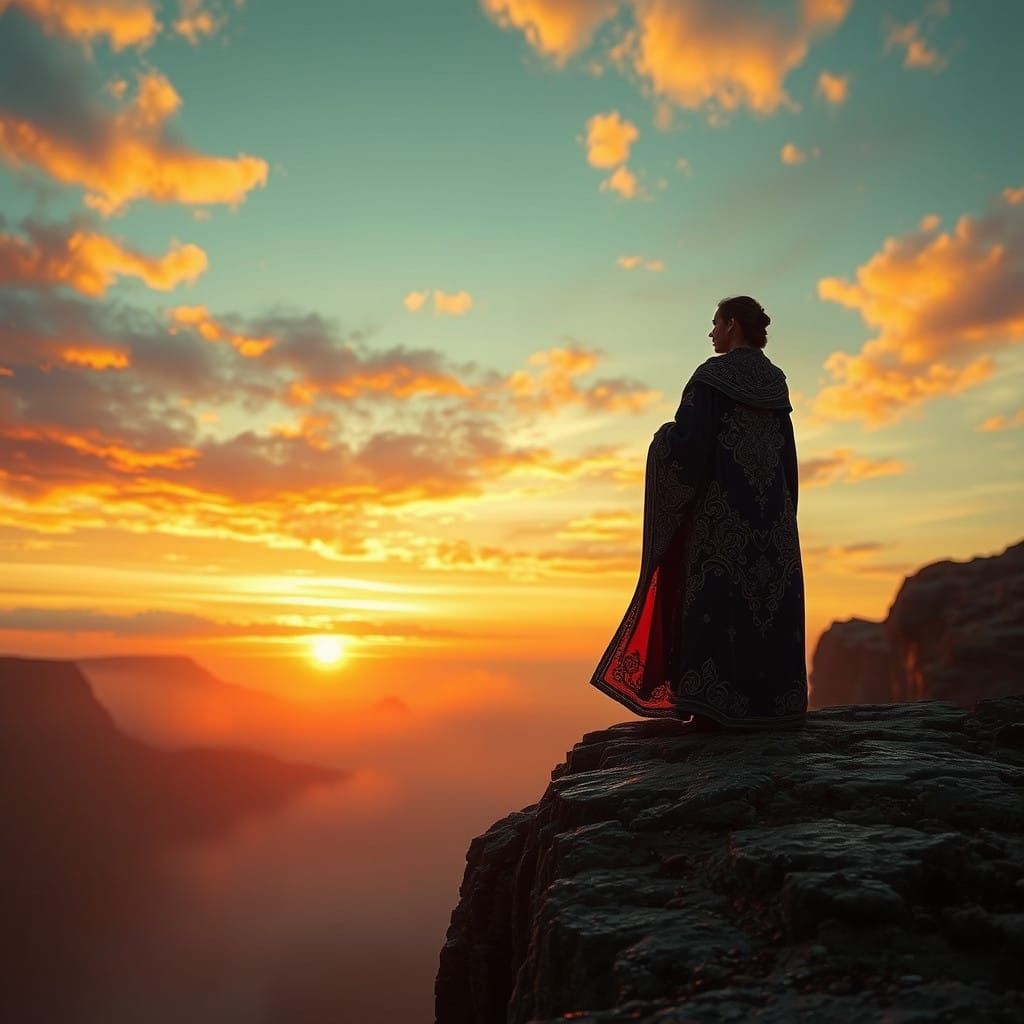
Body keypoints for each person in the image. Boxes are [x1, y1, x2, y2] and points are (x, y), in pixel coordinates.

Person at [590, 295, 807, 730]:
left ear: (731, 325)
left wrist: (661, 439)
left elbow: (688, 448)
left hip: (720, 520)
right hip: (773, 520)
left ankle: (712, 706)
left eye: (714, 324)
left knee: (715, 600)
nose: (710, 334)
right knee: (766, 604)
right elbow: (788, 454)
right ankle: (770, 706)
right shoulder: (776, 382)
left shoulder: (712, 377)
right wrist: (783, 515)